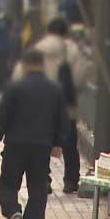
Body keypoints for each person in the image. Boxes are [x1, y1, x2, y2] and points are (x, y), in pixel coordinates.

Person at [0, 49, 68, 219]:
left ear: (24, 66)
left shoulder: (14, 88)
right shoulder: (55, 90)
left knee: (7, 184)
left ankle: (13, 211)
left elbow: (3, 116)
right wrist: (58, 143)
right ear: (42, 65)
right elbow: (61, 119)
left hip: (15, 144)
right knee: (38, 187)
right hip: (41, 146)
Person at [12, 17, 90, 194]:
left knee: (43, 143)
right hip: (65, 106)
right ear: (65, 32)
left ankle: (43, 180)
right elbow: (80, 74)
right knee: (70, 143)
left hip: (39, 107)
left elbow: (20, 73)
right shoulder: (71, 49)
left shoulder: (37, 48)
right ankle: (71, 180)